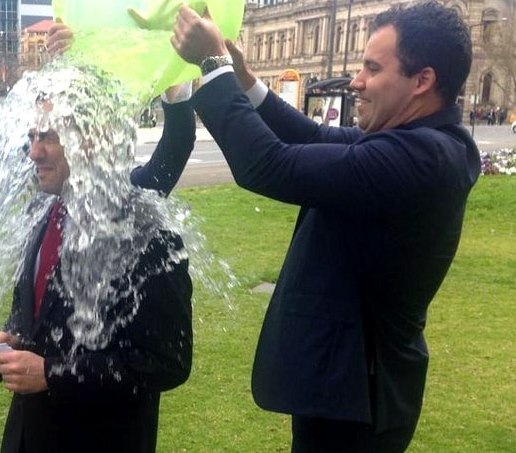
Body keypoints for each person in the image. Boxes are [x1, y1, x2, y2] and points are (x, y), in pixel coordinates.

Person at [171, 2, 480, 451]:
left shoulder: (421, 157)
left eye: (372, 68)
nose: (356, 81)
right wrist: (242, 78)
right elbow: (314, 138)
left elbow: (269, 165)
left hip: (356, 398)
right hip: (348, 388)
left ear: (422, 81)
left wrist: (213, 66)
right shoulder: (415, 143)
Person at [0, 64, 194, 453]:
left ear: (91, 139)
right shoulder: (42, 212)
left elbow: (166, 361)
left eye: (49, 137)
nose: (33, 152)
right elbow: (40, 318)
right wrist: (9, 340)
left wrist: (52, 374)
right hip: (28, 435)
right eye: (32, 136)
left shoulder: (143, 232)